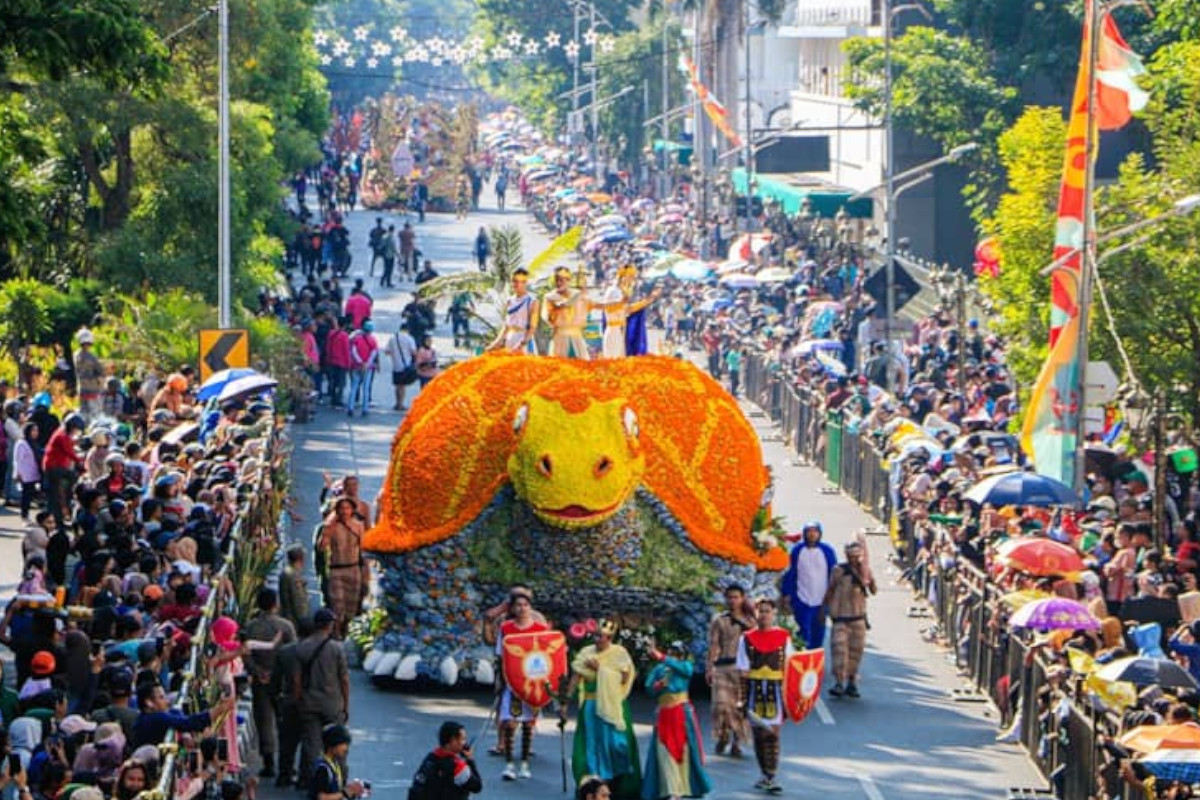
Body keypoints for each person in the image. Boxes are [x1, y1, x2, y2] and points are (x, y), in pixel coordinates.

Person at [562, 619, 640, 798]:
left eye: (601, 636)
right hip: (591, 706)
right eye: (595, 635)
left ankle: (616, 782)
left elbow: (624, 678)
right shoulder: (586, 652)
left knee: (617, 745)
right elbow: (576, 678)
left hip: (612, 706)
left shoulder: (619, 653)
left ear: (609, 638)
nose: (596, 639)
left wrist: (601, 669)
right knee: (592, 745)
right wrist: (565, 701)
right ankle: (595, 785)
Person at [736, 598, 793, 795]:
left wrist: (791, 699)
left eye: (767, 611)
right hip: (755, 692)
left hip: (776, 692)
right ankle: (764, 774)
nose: (764, 615)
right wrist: (742, 698)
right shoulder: (747, 639)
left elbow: (792, 667)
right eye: (761, 611)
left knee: (772, 734)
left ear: (774, 613)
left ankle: (771, 775)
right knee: (759, 734)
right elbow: (743, 671)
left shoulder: (783, 637)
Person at [642, 641, 712, 800]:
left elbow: (686, 671)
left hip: (681, 713)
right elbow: (649, 688)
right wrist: (658, 686)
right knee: (664, 751)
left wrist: (663, 658)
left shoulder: (684, 667)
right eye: (672, 651)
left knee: (683, 750)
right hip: (665, 714)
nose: (674, 655)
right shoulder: (659, 669)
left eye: (677, 653)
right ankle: (671, 789)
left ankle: (683, 787)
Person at [245, 586, 297, 779]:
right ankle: (287, 764)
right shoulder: (285, 626)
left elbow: (245, 654)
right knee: (285, 721)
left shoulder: (251, 627)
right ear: (275, 604)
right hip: (282, 680)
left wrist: (257, 671)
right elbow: (294, 653)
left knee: (264, 720)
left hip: (261, 679)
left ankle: (268, 763)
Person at [294, 608, 349, 790]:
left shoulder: (302, 647)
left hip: (309, 702)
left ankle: (311, 781)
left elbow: (297, 679)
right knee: (337, 742)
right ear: (330, 625)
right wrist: (346, 705)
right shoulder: (336, 648)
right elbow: (344, 679)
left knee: (311, 744)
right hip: (332, 704)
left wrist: (298, 699)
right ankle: (339, 781)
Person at [495, 593, 548, 781]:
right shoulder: (506, 629)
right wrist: (501, 681)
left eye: (525, 605)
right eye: (518, 605)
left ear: (530, 607)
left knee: (528, 724)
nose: (522, 608)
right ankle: (509, 764)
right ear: (512, 608)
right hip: (513, 683)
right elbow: (501, 656)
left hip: (532, 683)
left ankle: (524, 763)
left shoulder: (540, 629)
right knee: (510, 723)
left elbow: (547, 656)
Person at [706, 583, 753, 757]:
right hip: (722, 667)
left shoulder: (750, 622)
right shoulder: (719, 620)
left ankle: (737, 742)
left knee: (739, 707)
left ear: (742, 598)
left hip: (742, 669)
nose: (733, 601)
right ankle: (722, 736)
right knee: (721, 705)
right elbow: (713, 645)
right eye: (730, 597)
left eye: (736, 597)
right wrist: (709, 667)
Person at [825, 540, 877, 698]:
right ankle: (839, 682)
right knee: (839, 650)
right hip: (841, 617)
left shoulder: (864, 571)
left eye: (856, 556)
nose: (853, 559)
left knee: (856, 652)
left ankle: (852, 682)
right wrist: (824, 609)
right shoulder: (838, 570)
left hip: (858, 618)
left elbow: (873, 590)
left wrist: (868, 578)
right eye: (851, 556)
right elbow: (830, 590)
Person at [780, 521, 837, 649]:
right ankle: (802, 656)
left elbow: (834, 574)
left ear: (819, 534)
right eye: (809, 531)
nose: (812, 534)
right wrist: (786, 594)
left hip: (822, 601)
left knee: (818, 632)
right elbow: (791, 573)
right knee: (802, 632)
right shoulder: (797, 550)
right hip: (802, 599)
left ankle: (815, 657)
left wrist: (832, 600)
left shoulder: (827, 551)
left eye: (815, 531)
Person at [318, 497, 367, 637]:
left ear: (352, 510)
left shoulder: (358, 526)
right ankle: (336, 634)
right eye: (342, 508)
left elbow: (364, 550)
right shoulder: (332, 527)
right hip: (336, 570)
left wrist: (366, 572)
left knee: (351, 608)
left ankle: (347, 635)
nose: (345, 511)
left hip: (354, 569)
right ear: (337, 510)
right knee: (337, 607)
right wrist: (328, 527)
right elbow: (322, 547)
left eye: (347, 508)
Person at [597, 266, 659, 359]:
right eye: (631, 277)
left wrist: (649, 300)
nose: (632, 281)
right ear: (623, 278)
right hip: (613, 331)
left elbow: (629, 309)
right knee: (613, 361)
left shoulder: (619, 292)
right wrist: (624, 300)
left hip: (620, 331)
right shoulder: (613, 291)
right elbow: (611, 308)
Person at [410, 721, 482, 800]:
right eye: (463, 739)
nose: (465, 744)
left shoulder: (430, 758)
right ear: (453, 740)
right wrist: (470, 761)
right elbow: (477, 786)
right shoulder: (458, 766)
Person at [544, 267, 591, 360]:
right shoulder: (550, 297)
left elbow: (584, 315)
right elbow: (548, 317)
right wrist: (559, 308)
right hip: (560, 338)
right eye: (556, 280)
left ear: (568, 280)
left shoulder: (577, 295)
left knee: (580, 364)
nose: (558, 283)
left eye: (561, 280)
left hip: (576, 337)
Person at [309, 724, 366, 800]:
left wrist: (351, 791)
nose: (346, 749)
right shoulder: (323, 769)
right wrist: (345, 793)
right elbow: (321, 797)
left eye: (347, 745)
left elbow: (335, 790)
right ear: (331, 745)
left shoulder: (334, 764)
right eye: (343, 744)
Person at [488, 269, 537, 354]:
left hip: (524, 341)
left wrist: (522, 344)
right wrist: (495, 343)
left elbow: (532, 328)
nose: (517, 284)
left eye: (521, 281)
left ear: (526, 282)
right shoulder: (510, 300)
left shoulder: (532, 301)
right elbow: (506, 326)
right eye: (515, 281)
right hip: (510, 339)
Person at [346, 321, 379, 418]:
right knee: (366, 388)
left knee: (354, 387)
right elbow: (374, 353)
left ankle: (350, 408)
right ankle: (365, 409)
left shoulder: (356, 339)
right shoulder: (373, 340)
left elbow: (353, 352)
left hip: (356, 366)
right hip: (368, 368)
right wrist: (367, 364)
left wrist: (360, 362)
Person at [75, 328, 105, 421]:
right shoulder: (92, 357)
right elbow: (101, 372)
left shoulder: (76, 355)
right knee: (95, 415)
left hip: (81, 389)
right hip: (93, 390)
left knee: (83, 414)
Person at [386, 325, 418, 411]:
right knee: (403, 386)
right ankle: (401, 404)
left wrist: (395, 354)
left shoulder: (392, 338)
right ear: (407, 330)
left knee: (397, 385)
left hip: (395, 365)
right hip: (405, 365)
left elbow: (387, 352)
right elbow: (414, 352)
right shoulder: (409, 338)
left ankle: (397, 403)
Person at [279, 544, 312, 628]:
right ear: (301, 559)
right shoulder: (293, 576)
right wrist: (303, 620)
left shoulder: (287, 572)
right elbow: (298, 600)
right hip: (293, 621)